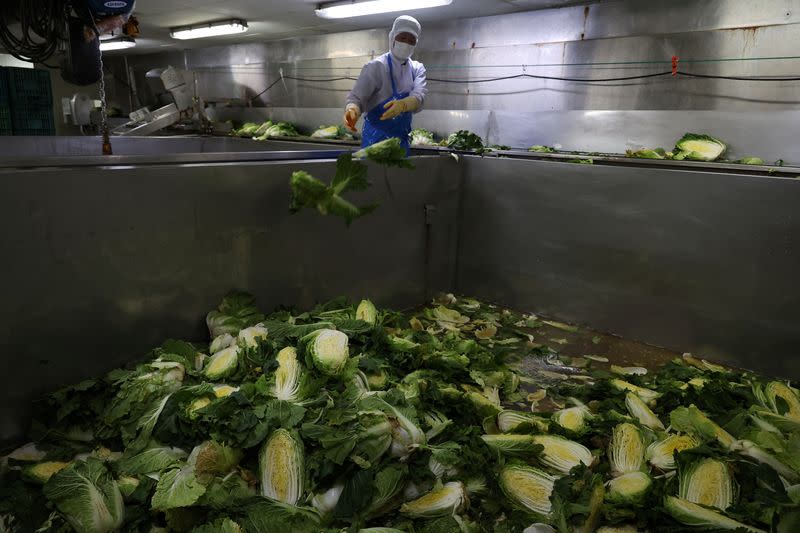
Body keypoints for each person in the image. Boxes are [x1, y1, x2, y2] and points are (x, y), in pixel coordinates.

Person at [344, 15, 428, 152]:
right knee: (372, 173)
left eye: (411, 40)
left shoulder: (417, 68)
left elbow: (420, 95)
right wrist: (352, 110)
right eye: (402, 38)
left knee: (399, 173)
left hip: (400, 142)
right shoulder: (376, 66)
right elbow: (357, 98)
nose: (406, 43)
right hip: (374, 141)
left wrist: (404, 104)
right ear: (392, 38)